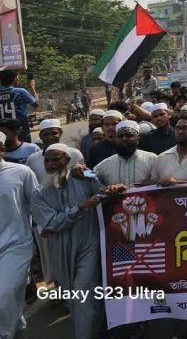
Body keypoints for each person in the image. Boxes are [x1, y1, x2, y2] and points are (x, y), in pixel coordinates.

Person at [31, 144, 110, 339]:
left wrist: (87, 171)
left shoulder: (84, 176)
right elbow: (52, 223)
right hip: (59, 249)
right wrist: (80, 207)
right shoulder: (38, 193)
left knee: (83, 289)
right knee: (73, 295)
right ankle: (96, 328)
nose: (50, 164)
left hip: (88, 243)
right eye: (47, 160)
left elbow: (105, 192)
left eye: (55, 159)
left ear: (67, 160)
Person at [0, 129, 38, 339]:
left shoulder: (21, 172)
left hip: (16, 244)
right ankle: (17, 326)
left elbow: (37, 204)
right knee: (9, 295)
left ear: (1, 149)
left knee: (3, 294)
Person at [90, 120, 156, 188]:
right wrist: (84, 171)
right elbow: (91, 175)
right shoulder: (105, 165)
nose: (124, 138)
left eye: (129, 135)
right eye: (120, 136)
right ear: (116, 139)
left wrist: (150, 182)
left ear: (138, 139)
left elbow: (160, 180)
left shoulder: (151, 159)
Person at [0, 69, 38, 142]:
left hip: (2, 134)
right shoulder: (20, 91)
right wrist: (32, 88)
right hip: (21, 131)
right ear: (15, 79)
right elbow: (36, 104)